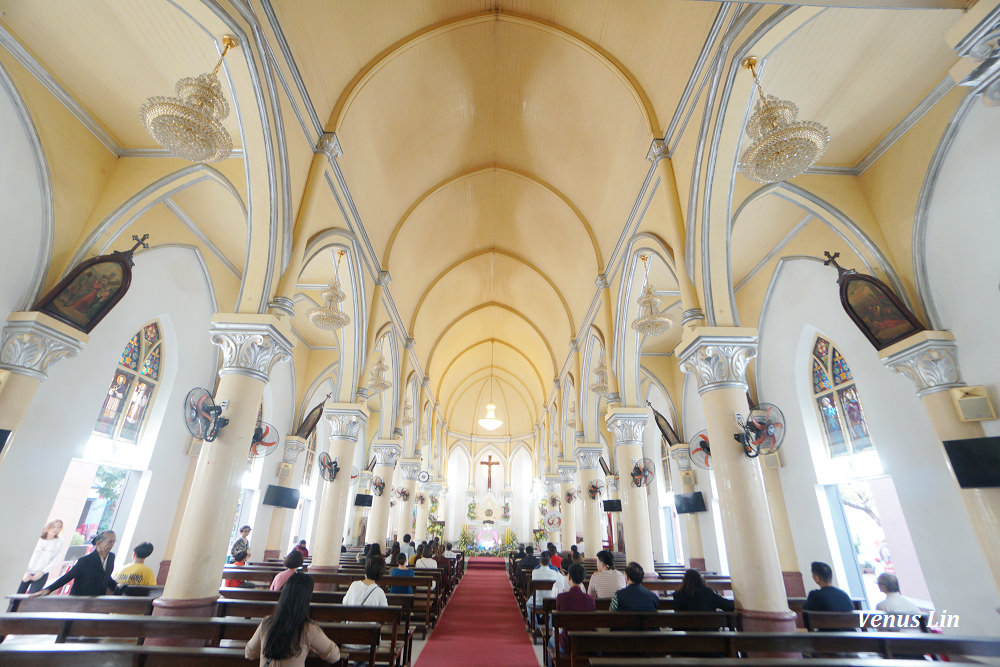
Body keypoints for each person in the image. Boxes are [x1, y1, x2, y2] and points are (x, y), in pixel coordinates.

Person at [246, 572, 340, 666]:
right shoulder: (308, 629)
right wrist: (311, 647)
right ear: (307, 599)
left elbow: (249, 653)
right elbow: (334, 656)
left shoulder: (267, 623)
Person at [34, 530, 118, 597]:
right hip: (80, 600)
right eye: (109, 542)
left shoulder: (111, 557)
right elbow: (68, 576)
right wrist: (48, 589)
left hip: (97, 601)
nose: (112, 544)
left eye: (114, 541)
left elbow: (105, 576)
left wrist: (119, 587)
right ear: (98, 543)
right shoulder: (85, 561)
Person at [550, 563, 595, 660]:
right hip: (586, 642)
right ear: (583, 579)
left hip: (567, 643)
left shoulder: (561, 597)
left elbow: (559, 623)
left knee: (550, 641)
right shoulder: (590, 599)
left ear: (569, 577)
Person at [18, 519, 65, 594]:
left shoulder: (59, 542)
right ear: (48, 527)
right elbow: (24, 555)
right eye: (53, 527)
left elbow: (55, 560)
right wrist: (25, 572)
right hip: (26, 572)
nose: (56, 529)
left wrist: (42, 572)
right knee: (16, 597)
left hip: (42, 574)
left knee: (31, 598)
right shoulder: (37, 538)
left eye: (58, 527)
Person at [527, 551, 565, 615]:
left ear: (540, 562)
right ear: (550, 561)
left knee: (528, 604)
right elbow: (560, 586)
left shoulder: (534, 572)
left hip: (537, 601)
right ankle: (550, 623)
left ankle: (534, 624)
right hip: (551, 602)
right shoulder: (554, 572)